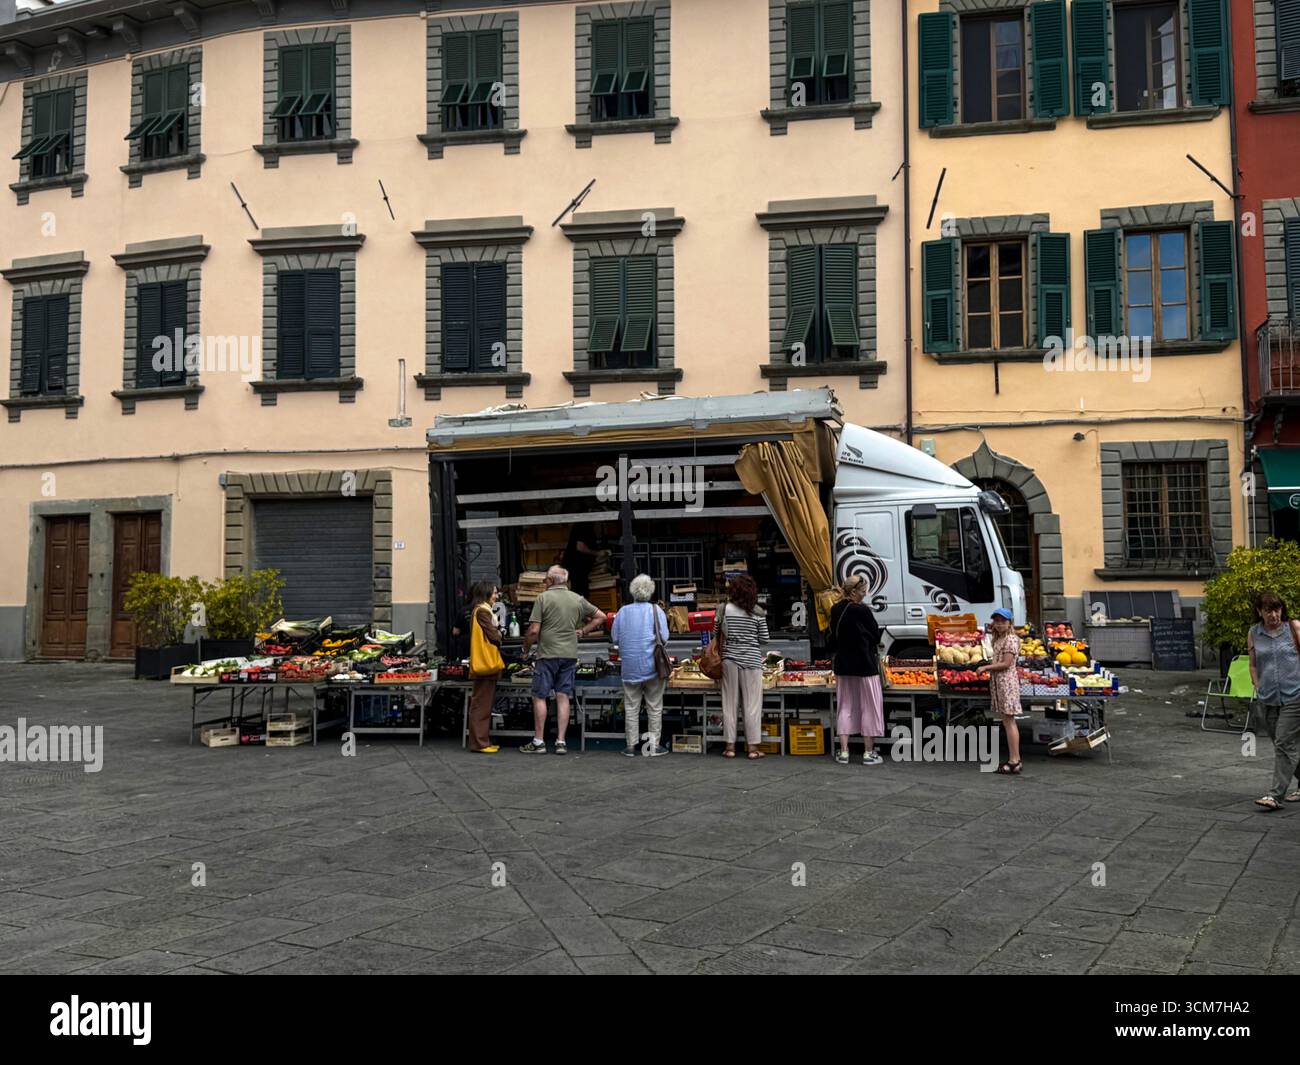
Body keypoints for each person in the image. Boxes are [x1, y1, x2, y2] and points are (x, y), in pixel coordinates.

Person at [520, 565, 606, 755]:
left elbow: (534, 630)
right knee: (563, 696)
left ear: (550, 581)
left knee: (540, 696)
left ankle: (539, 741)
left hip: (547, 654)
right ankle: (561, 741)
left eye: (545, 580)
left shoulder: (543, 598)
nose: (543, 583)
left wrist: (525, 649)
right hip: (569, 655)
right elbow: (601, 617)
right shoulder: (577, 599)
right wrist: (583, 631)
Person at [1249, 591, 1300, 811]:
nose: (1274, 615)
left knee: (1283, 742)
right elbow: (1253, 663)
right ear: (1260, 611)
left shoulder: (1294, 628)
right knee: (1283, 744)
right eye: (1268, 610)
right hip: (1268, 696)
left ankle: (1275, 795)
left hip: (1295, 694)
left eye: (1277, 609)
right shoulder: (1254, 632)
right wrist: (1257, 684)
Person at [611, 574, 671, 758]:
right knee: (654, 706)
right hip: (652, 667)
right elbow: (665, 637)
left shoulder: (622, 611)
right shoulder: (656, 610)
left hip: (629, 667)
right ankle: (653, 746)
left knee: (631, 707)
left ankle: (631, 746)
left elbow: (615, 638)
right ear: (650, 590)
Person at [829, 574, 884, 765]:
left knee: (845, 706)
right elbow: (875, 635)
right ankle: (868, 753)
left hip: (843, 665)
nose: (865, 595)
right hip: (865, 665)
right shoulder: (862, 611)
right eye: (862, 591)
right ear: (853, 592)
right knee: (870, 707)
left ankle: (844, 752)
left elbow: (832, 636)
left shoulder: (836, 609)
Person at [716, 574, 769, 760]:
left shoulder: (723, 609)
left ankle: (730, 747)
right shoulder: (758, 612)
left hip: (729, 660)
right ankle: (753, 748)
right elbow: (765, 639)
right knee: (752, 705)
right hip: (752, 661)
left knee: (729, 704)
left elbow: (716, 632)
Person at [978, 607, 1022, 774]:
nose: (999, 624)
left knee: (1009, 721)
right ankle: (1015, 759)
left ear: (1010, 623)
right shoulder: (999, 638)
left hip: (1007, 684)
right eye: (996, 621)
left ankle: (1014, 760)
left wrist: (986, 667)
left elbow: (1006, 664)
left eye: (1003, 621)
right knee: (1006, 721)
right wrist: (992, 629)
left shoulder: (1010, 639)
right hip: (999, 683)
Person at [466, 582, 504, 754]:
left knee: (482, 704)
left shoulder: (480, 610)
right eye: (494, 593)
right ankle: (479, 743)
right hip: (485, 665)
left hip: (484, 665)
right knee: (481, 705)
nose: (496, 596)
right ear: (487, 594)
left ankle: (482, 741)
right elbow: (493, 636)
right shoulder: (482, 611)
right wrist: (500, 634)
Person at [562, 522, 604, 598]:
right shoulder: (583, 526)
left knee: (580, 595)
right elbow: (580, 547)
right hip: (576, 568)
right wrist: (597, 553)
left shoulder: (585, 526)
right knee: (578, 594)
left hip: (579, 569)